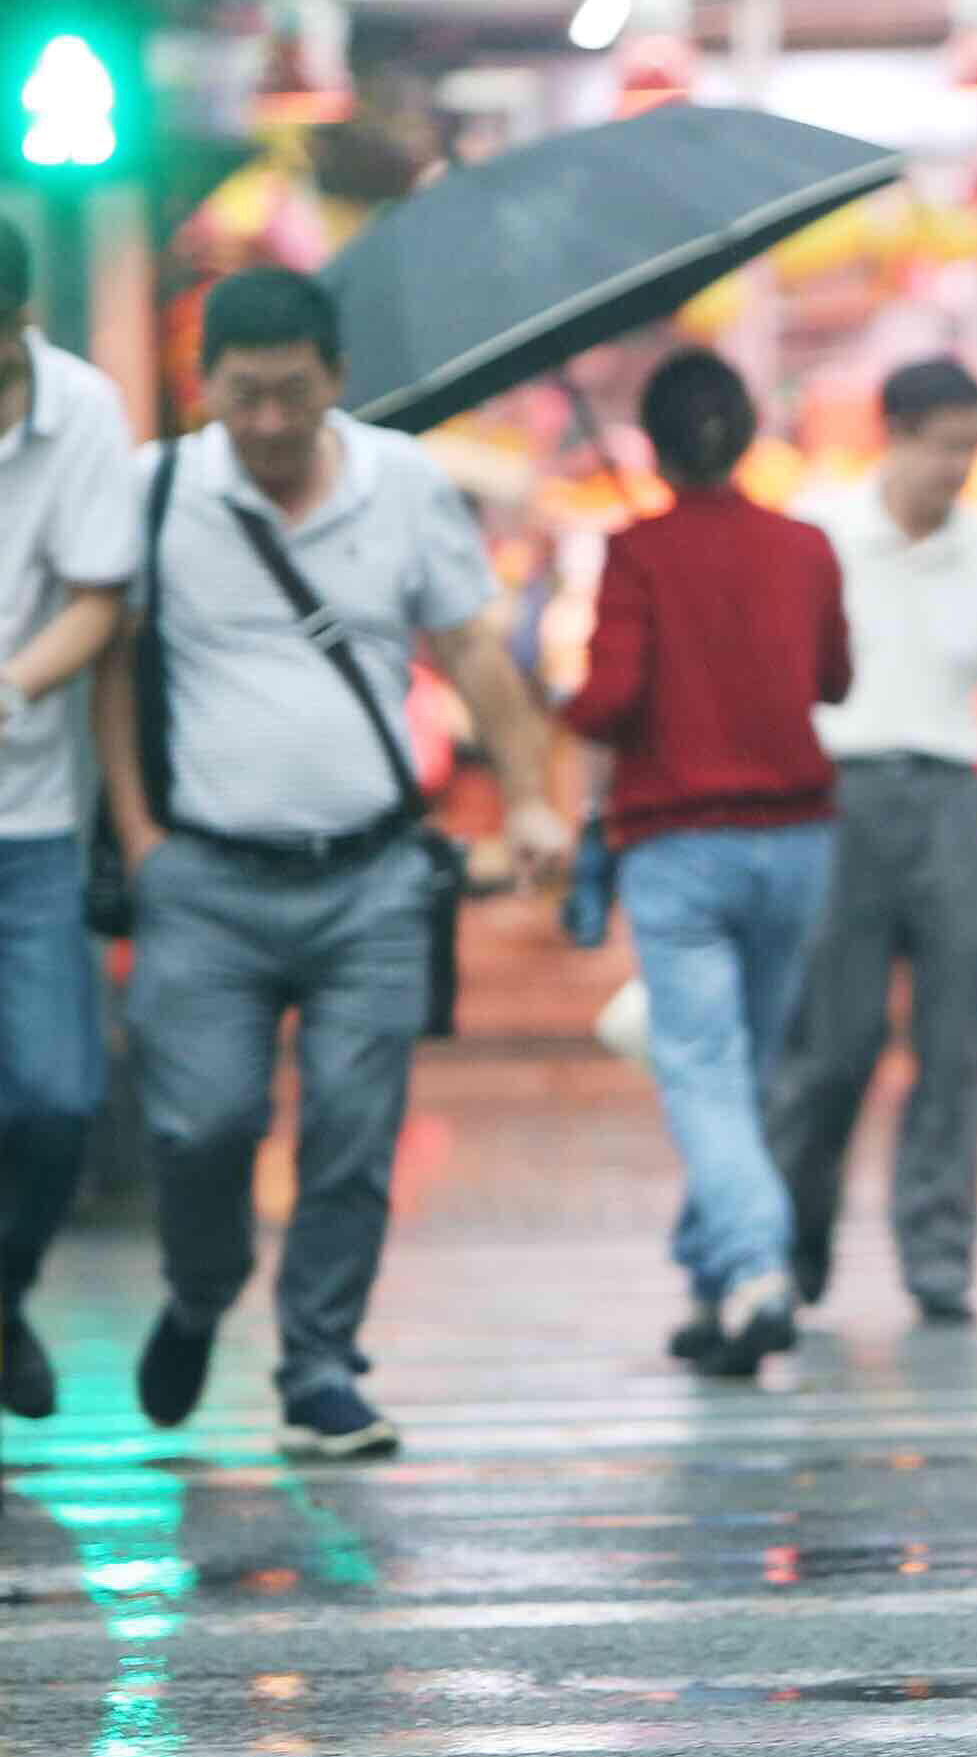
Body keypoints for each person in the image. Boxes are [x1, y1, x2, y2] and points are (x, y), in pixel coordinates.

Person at [93, 267, 571, 1459]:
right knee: (198, 1124)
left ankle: (319, 1365)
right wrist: (141, 833)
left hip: (371, 877)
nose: (264, 423)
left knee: (356, 1130)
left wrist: (528, 797)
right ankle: (203, 1287)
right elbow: (110, 662)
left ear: (336, 381)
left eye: (289, 395)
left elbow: (471, 648)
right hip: (204, 878)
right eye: (241, 397)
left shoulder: (404, 484)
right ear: (204, 386)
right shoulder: (158, 492)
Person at [561, 349, 851, 1379]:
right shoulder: (805, 545)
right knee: (746, 1067)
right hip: (800, 838)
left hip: (680, 844)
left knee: (702, 1069)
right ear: (748, 434)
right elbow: (833, 675)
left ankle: (756, 1265)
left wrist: (564, 692)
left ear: (653, 442)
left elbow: (606, 700)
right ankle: (713, 1271)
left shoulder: (637, 553)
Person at [766, 357, 977, 1326]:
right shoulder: (819, 532)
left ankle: (938, 1253)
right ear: (894, 433)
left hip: (950, 800)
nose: (960, 468)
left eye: (973, 448)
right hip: (837, 796)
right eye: (944, 447)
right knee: (831, 1043)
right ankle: (792, 1241)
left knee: (956, 1040)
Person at [0, 217, 136, 1425]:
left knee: (54, 1097)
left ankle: (6, 1286)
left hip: (30, 820)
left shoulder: (83, 411)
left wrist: (9, 684)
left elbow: (102, 600)